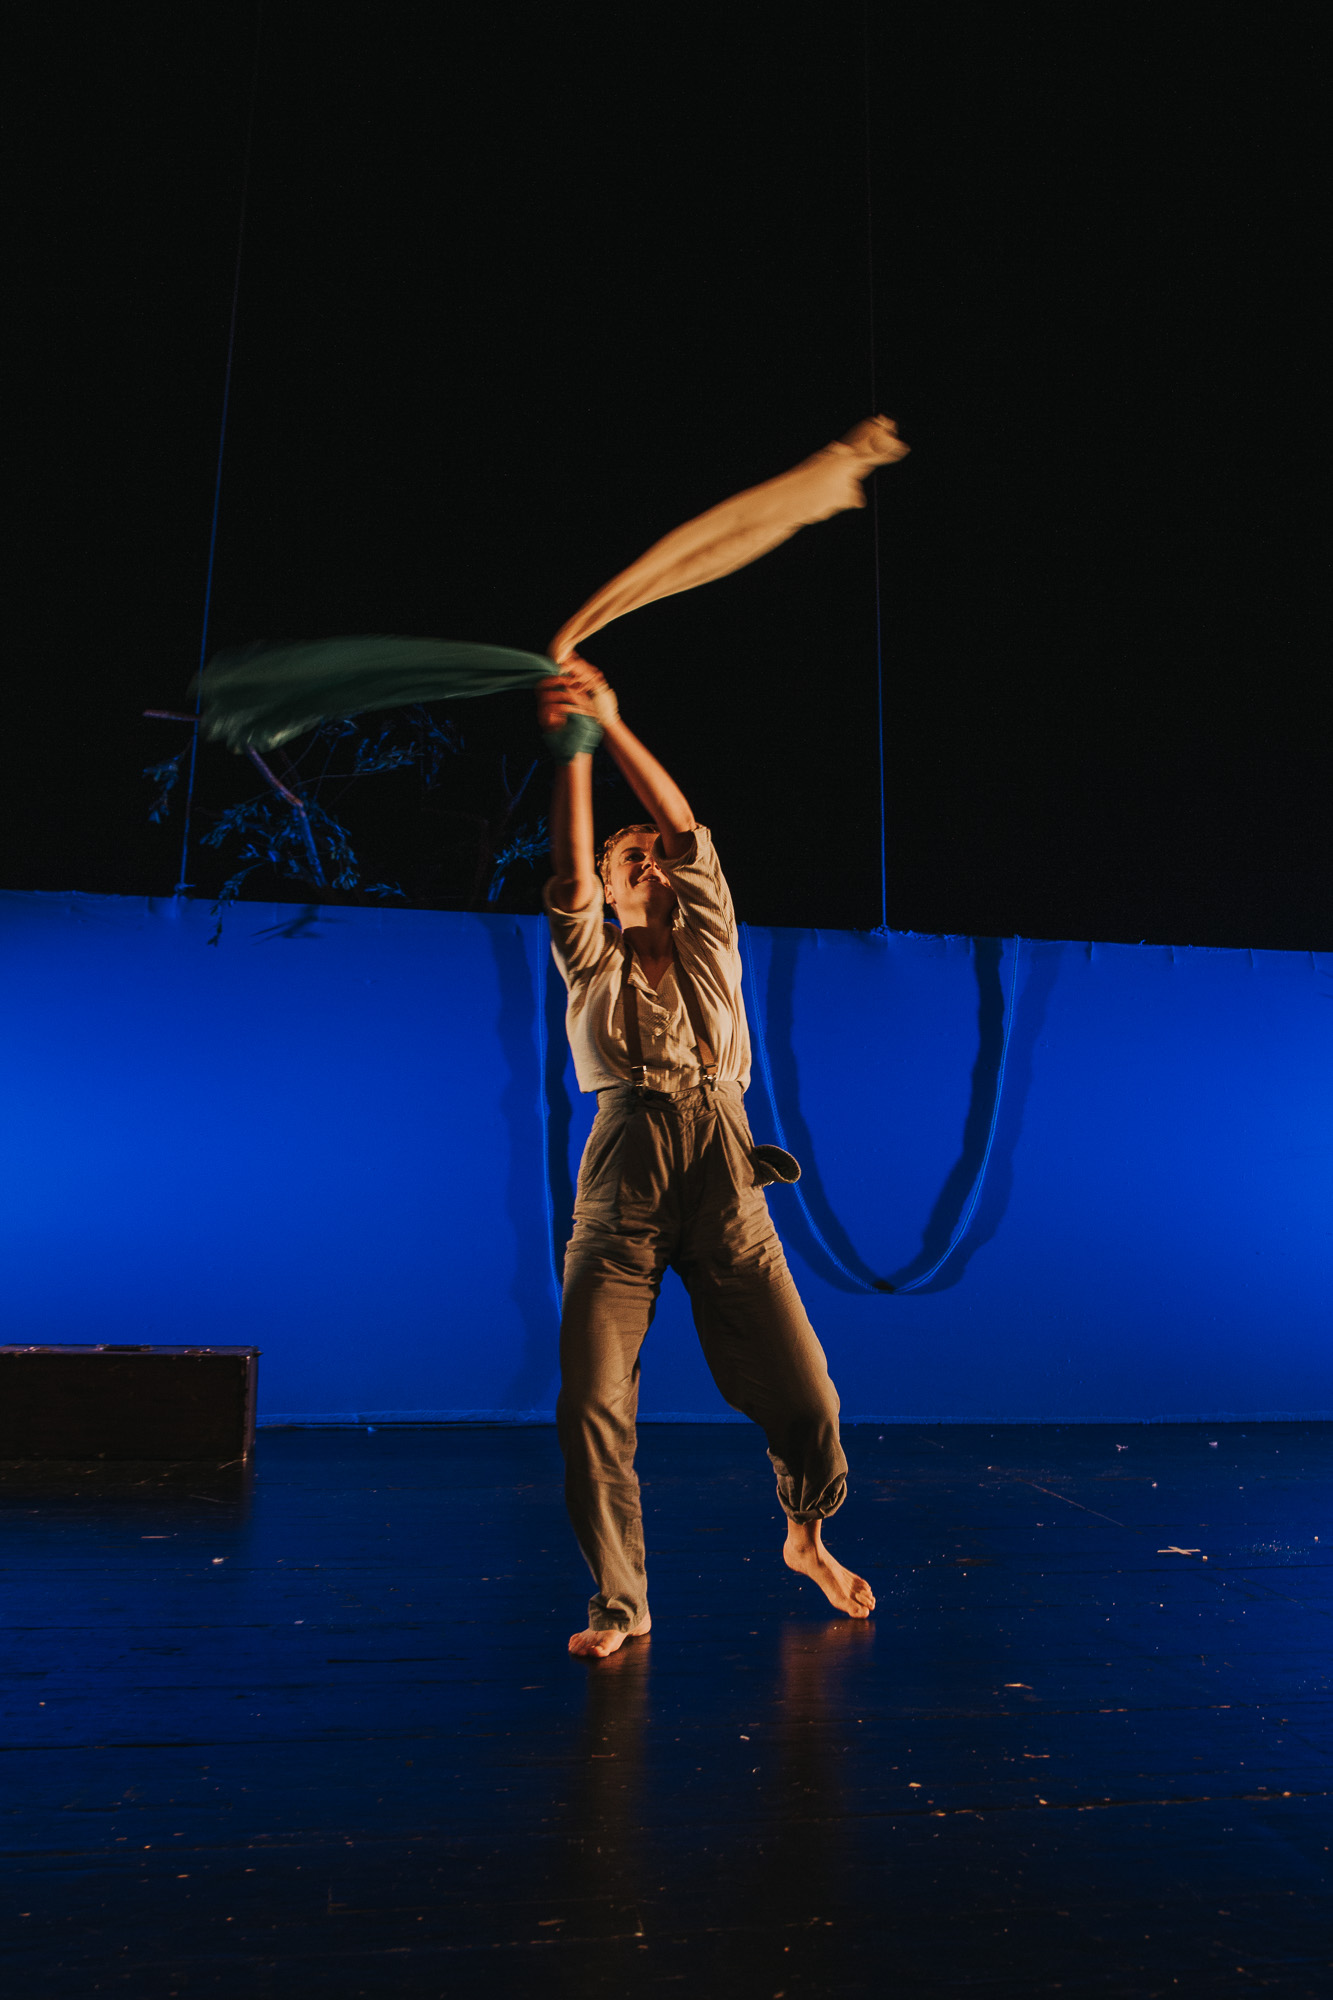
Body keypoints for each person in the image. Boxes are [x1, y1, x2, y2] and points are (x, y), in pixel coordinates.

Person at [538, 654, 874, 1659]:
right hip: (624, 1173)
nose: (645, 860)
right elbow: (570, 864)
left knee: (807, 1397)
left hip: (723, 1168)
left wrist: (611, 720)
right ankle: (620, 1601)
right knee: (592, 1400)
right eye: (625, 858)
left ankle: (805, 1536)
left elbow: (683, 826)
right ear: (607, 885)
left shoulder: (712, 939)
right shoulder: (588, 956)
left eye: (653, 854)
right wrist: (573, 749)